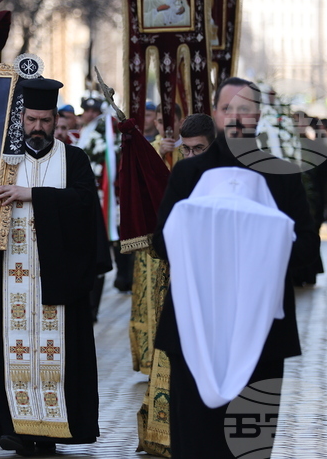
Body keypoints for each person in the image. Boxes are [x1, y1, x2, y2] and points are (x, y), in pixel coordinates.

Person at [151, 77, 320, 458]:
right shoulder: (187, 174)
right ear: (215, 113)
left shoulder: (283, 175)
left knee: (249, 444)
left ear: (259, 116)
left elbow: (308, 247)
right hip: (195, 329)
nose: (237, 117)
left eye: (245, 110)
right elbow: (162, 242)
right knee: (195, 438)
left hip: (261, 335)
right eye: (229, 108)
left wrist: (263, 252)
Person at [0, 78, 105, 456]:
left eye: (44, 120)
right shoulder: (1, 163)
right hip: (10, 281)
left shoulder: (72, 159)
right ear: (19, 119)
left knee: (60, 355)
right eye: (31, 120)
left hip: (56, 281)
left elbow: (85, 206)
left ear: (54, 120)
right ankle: (17, 428)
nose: (37, 127)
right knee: (14, 352)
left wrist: (33, 195)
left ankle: (55, 428)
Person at [131, 112, 215, 458]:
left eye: (200, 150)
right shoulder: (179, 174)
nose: (192, 157)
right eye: (188, 150)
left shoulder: (225, 178)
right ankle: (166, 435)